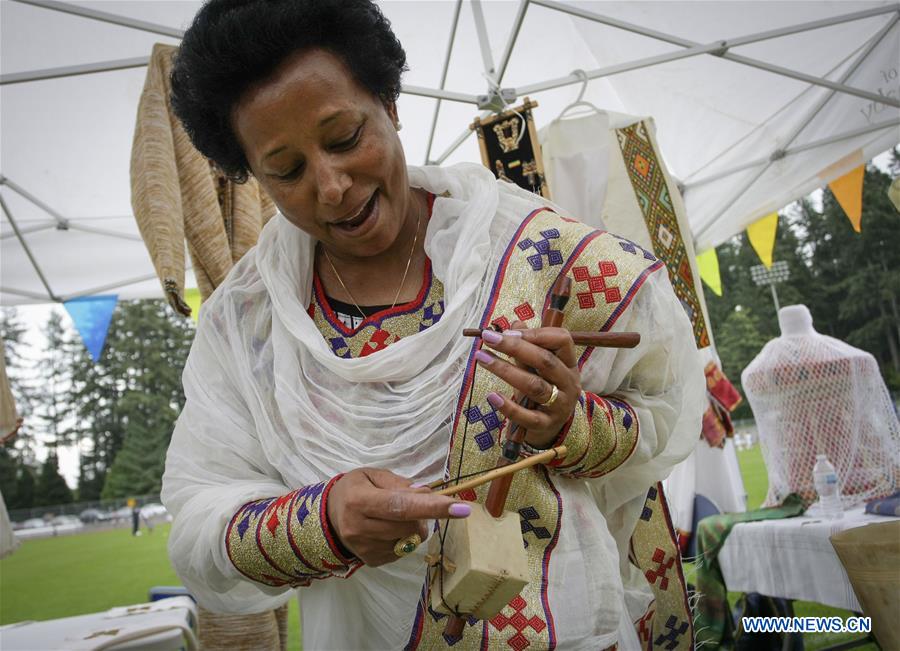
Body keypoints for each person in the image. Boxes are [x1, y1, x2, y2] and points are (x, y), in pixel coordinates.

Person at [161, 1, 705, 648]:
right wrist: (322, 522)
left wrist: (571, 422)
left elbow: (664, 407)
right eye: (288, 170)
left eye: (343, 139)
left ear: (390, 105)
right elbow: (198, 521)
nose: (331, 185)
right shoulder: (247, 324)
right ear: (255, 175)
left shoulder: (544, 258)